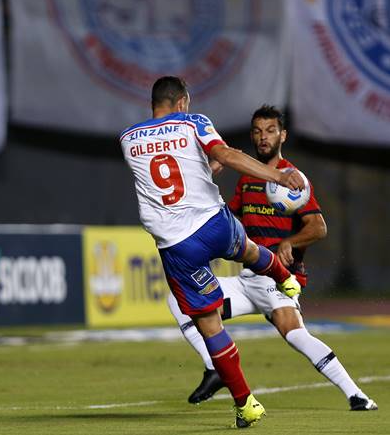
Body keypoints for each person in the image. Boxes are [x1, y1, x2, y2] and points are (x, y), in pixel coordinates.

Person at [120, 76, 306, 428]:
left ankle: (245, 403)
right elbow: (224, 154)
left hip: (177, 245)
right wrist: (276, 177)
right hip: (214, 224)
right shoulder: (194, 121)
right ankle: (286, 279)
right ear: (181, 103)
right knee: (249, 252)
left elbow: (164, 180)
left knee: (209, 326)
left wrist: (203, 170)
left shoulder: (128, 139)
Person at [167, 104, 378, 411]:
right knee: (180, 300)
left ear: (283, 135)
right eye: (257, 131)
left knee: (293, 333)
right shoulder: (247, 178)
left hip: (276, 281)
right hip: (246, 281)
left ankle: (356, 395)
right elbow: (230, 220)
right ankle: (214, 368)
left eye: (270, 131)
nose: (263, 137)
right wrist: (209, 177)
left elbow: (318, 226)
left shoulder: (294, 180)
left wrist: (291, 241)